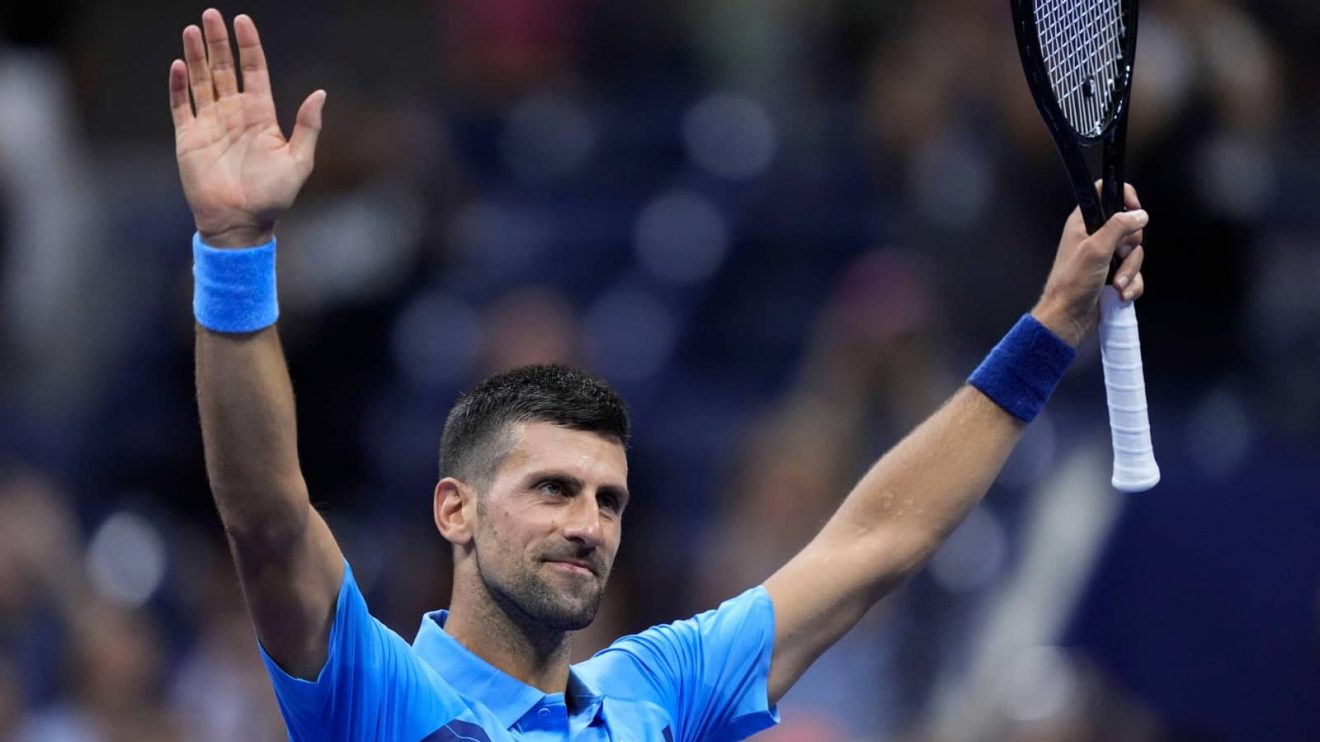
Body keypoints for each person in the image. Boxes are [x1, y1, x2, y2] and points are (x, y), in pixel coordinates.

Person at [169, 9, 1148, 741]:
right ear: (453, 508)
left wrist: (1052, 321)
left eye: (607, 498)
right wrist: (236, 246)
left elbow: (881, 535)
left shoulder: (660, 691)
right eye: (552, 488)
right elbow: (265, 509)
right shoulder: (379, 694)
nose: (588, 523)